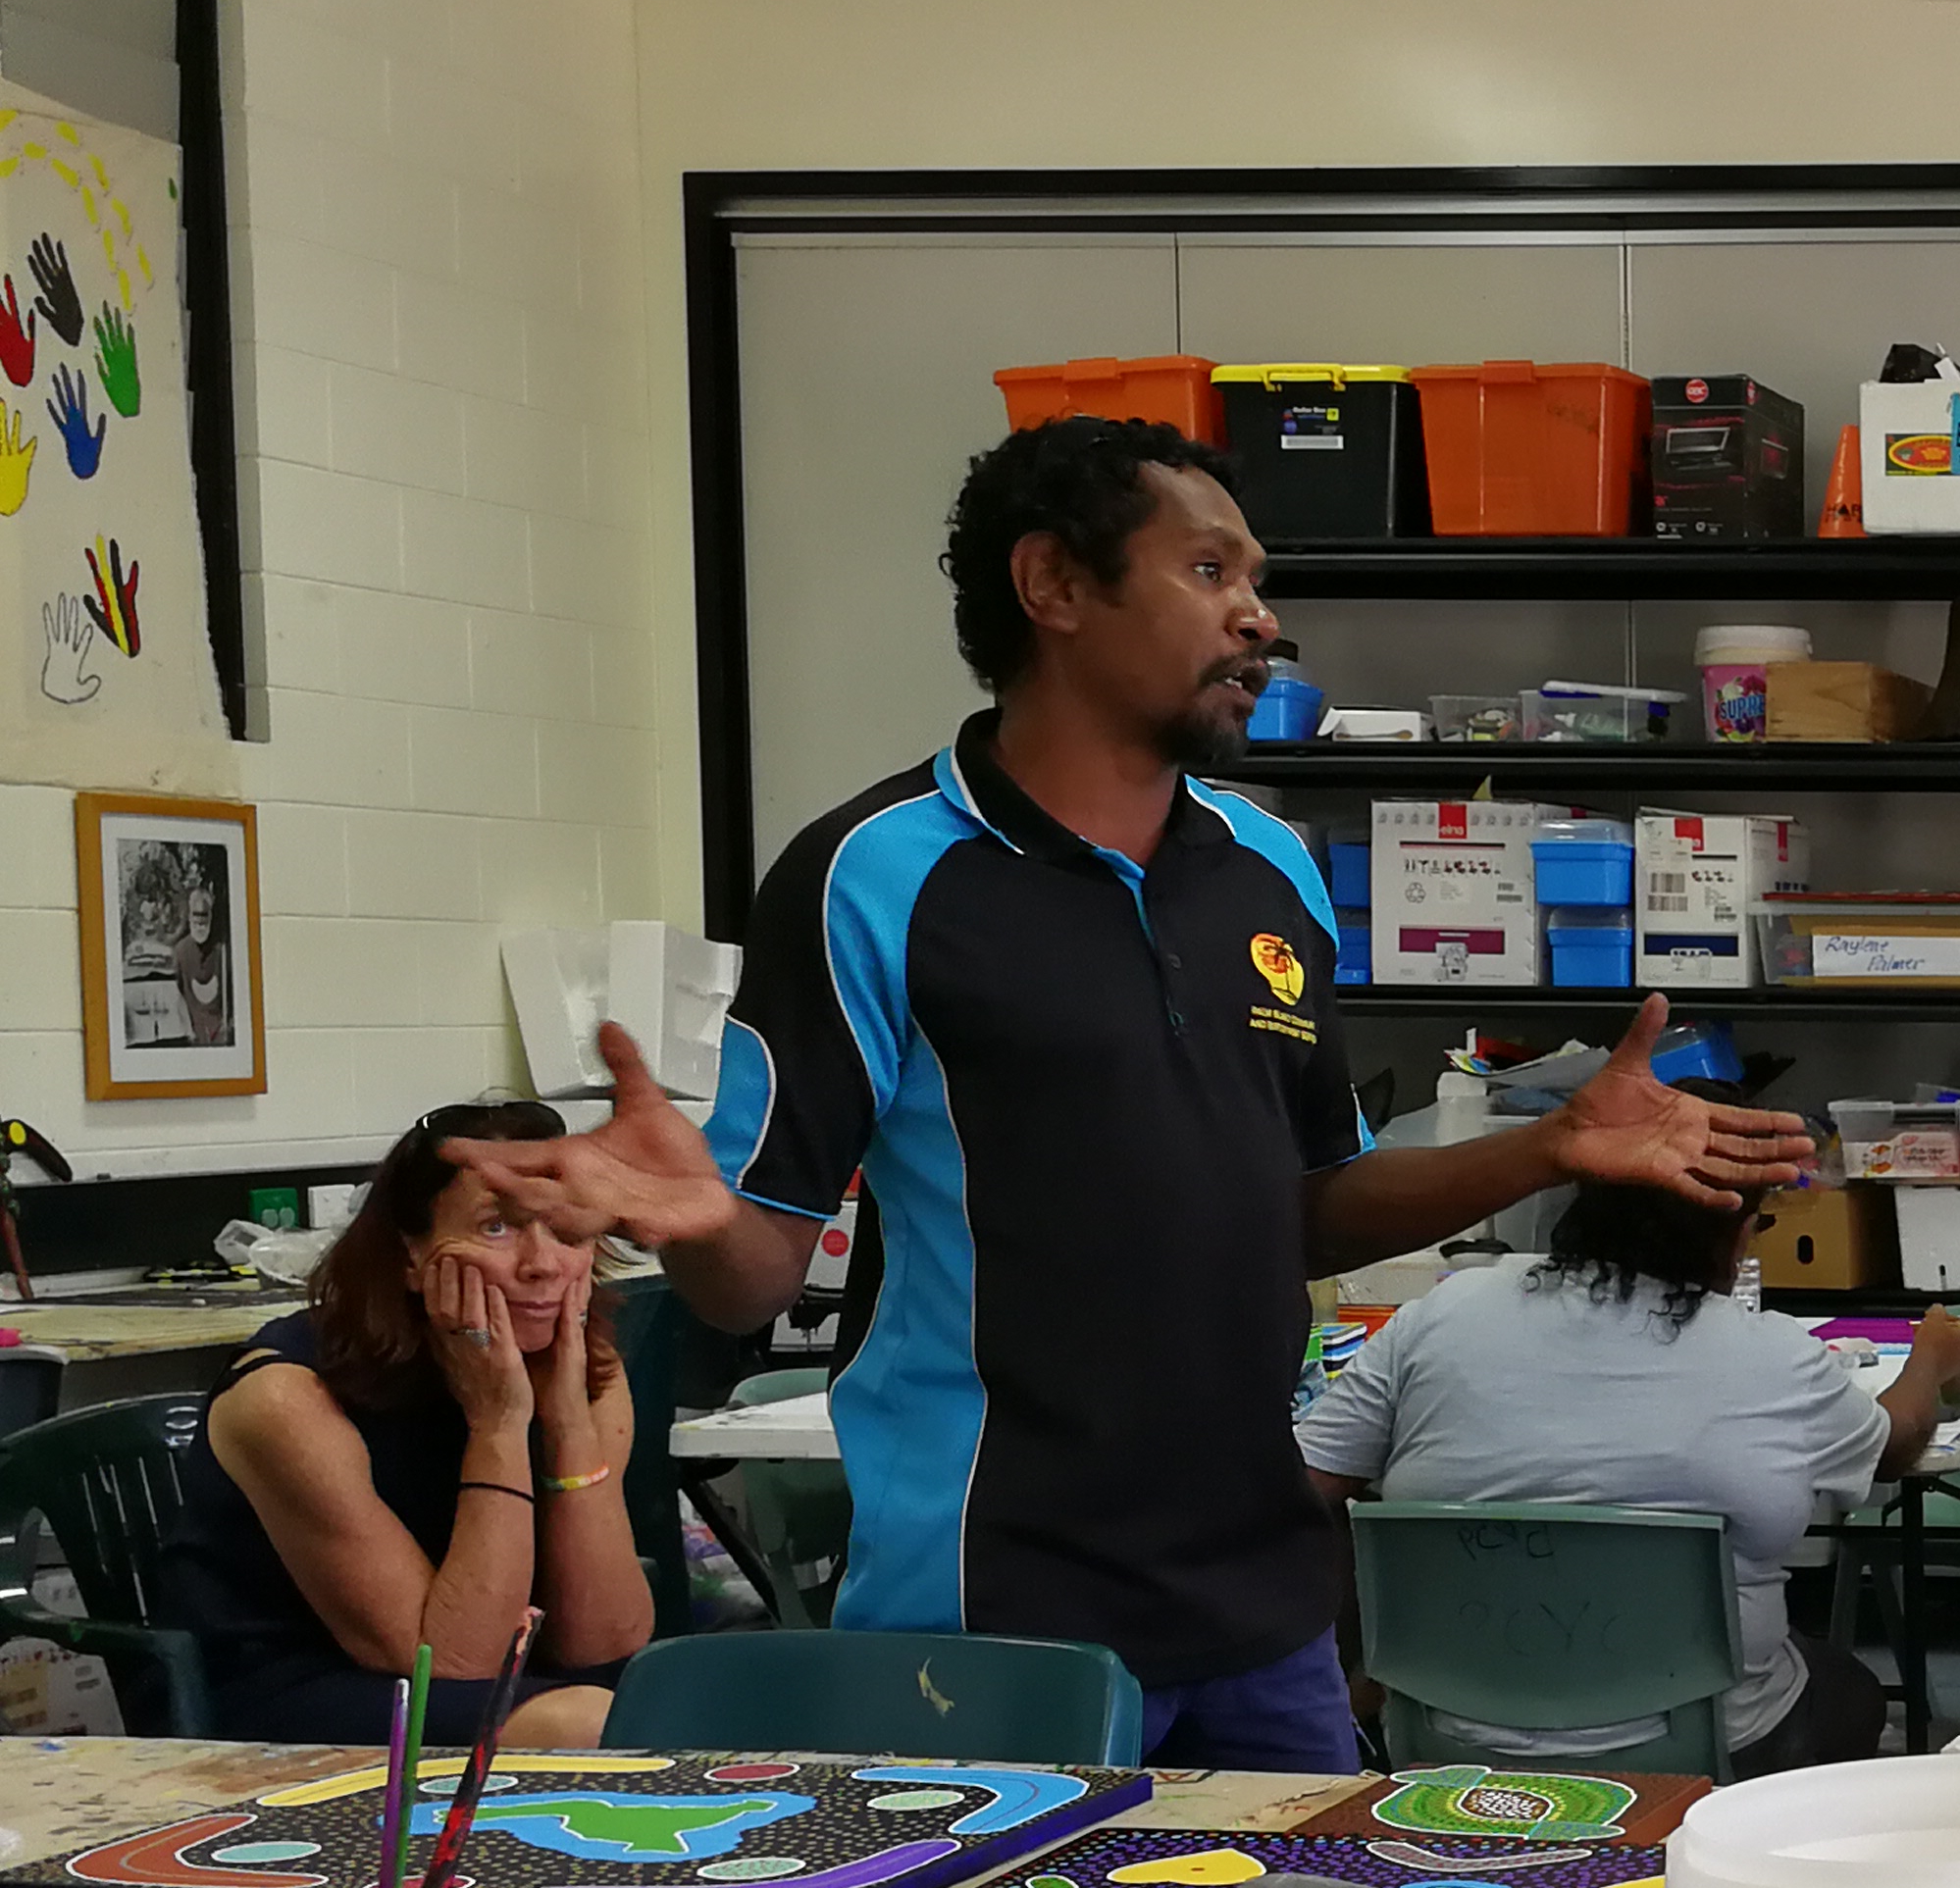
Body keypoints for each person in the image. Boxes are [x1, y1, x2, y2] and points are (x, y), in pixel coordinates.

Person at [448, 418, 1811, 1770]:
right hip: (993, 1603)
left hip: (1260, 1596)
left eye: (1255, 580)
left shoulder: (1268, 865)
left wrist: (1551, 1145)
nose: (1258, 619)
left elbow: (1315, 1206)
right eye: (1210, 572)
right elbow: (750, 1282)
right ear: (1053, 585)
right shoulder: (873, 872)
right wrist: (698, 1215)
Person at [1298, 1181, 1960, 1779]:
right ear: (1737, 1232)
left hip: (1443, 1733)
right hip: (1712, 1744)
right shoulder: (1774, 1357)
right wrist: (1929, 1362)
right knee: (1851, 1689)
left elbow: (1304, 1482)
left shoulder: (1440, 1315)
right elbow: (1893, 1448)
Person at [152, 1098, 652, 1747]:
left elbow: (604, 1643)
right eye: (496, 1227)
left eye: (565, 1230)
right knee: (591, 1723)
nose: (543, 1263)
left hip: (506, 1674)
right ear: (411, 1255)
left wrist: (569, 1424)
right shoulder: (287, 1399)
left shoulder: (586, 1374)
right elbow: (451, 1666)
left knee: (678, 1705)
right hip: (291, 1694)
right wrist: (499, 1425)